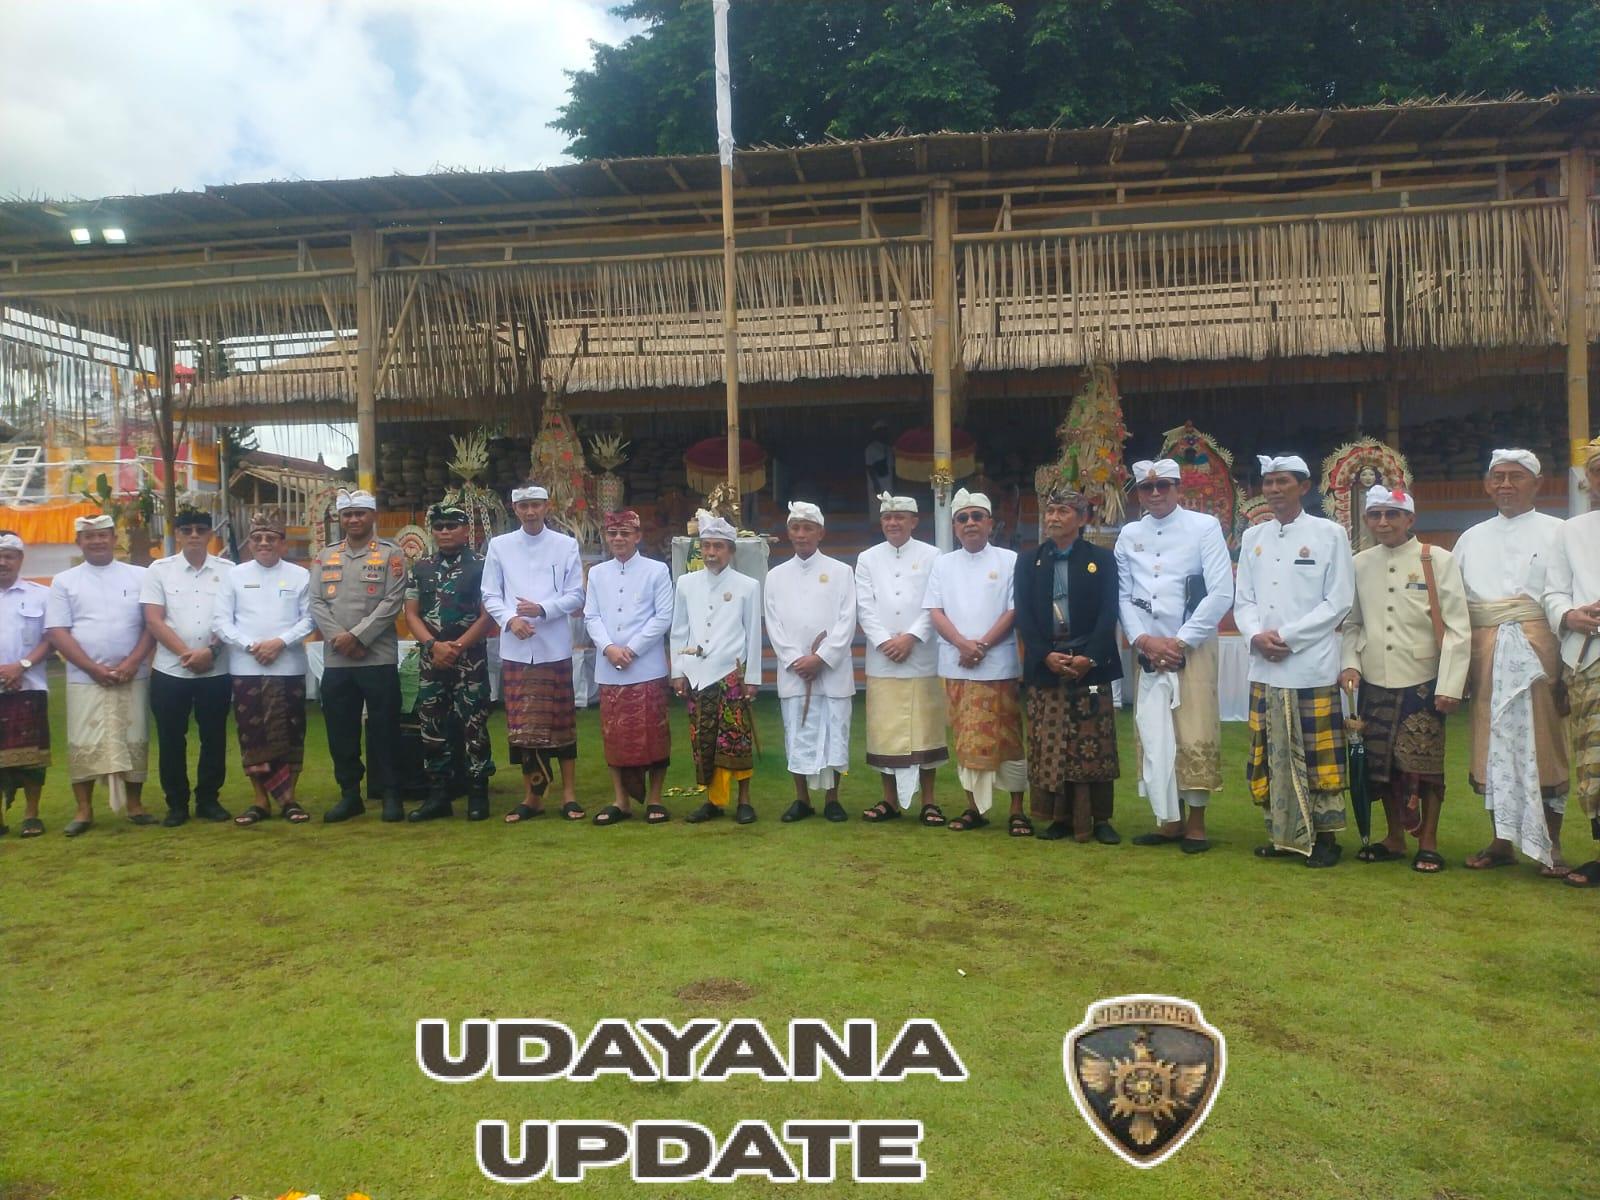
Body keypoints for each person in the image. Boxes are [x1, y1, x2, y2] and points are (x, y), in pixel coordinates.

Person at [1338, 485, 1470, 873]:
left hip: (1422, 679)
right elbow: (1353, 623)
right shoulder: (1359, 563)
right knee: (1380, 766)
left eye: (1391, 515)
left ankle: (1428, 842)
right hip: (1374, 678)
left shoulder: (1437, 559)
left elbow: (1458, 627)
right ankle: (1394, 838)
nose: (1383, 522)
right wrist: (1350, 664)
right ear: (1366, 520)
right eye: (1375, 515)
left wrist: (1450, 685)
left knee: (1424, 766)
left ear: (1410, 519)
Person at [1451, 449, 1570, 875]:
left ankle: (1551, 845)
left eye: (1515, 476)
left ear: (1537, 483)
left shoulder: (1560, 532)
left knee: (1544, 745)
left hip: (1542, 650)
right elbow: (1455, 603)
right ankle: (1501, 842)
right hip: (1485, 652)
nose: (1505, 484)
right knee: (1492, 744)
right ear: (1487, 484)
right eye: (1498, 476)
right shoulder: (1470, 538)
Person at [1234, 454, 1355, 867]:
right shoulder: (1254, 537)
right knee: (1270, 751)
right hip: (1265, 664)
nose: (1273, 489)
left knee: (1319, 753)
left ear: (1303, 487)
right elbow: (1244, 599)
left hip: (1309, 664)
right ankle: (1282, 834)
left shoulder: (1329, 534)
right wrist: (1255, 635)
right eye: (1268, 482)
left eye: (1282, 481)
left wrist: (1288, 637)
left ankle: (1326, 839)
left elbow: (1338, 601)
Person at [1115, 458, 1235, 853]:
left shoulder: (1204, 527)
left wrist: (1180, 642)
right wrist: (1143, 640)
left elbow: (1221, 592)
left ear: (1178, 488)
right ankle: (1168, 820)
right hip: (1148, 648)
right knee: (1154, 730)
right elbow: (1123, 594)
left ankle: (1196, 824)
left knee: (1193, 731)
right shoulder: (1129, 533)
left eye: (1163, 486)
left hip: (1192, 646)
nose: (1155, 494)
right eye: (1147, 488)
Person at [1015, 487, 1122, 843]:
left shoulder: (1101, 559)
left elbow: (1109, 612)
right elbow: (1024, 615)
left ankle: (1100, 819)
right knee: (1049, 742)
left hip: (1091, 664)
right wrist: (1044, 654)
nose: (1053, 518)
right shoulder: (1029, 561)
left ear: (1082, 518)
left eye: (1062, 511)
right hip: (1047, 664)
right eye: (1050, 511)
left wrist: (1089, 656)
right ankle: (1059, 818)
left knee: (1094, 744)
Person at [46, 514, 156, 836]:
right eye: (89, 536)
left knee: (134, 737)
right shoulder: (64, 581)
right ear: (78, 542)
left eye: (102, 535)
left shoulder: (139, 576)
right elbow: (57, 631)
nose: (96, 541)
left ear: (114, 538)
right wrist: (92, 668)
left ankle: (135, 806)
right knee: (84, 740)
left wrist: (132, 662)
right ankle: (84, 810)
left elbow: (151, 624)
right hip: (85, 678)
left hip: (131, 674)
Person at [924, 488, 1027, 834]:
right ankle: (973, 809)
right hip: (957, 666)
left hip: (998, 666)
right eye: (963, 518)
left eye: (976, 517)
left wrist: (980, 646)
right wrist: (962, 645)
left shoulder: (1010, 560)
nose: (970, 523)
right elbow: (935, 611)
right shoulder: (942, 564)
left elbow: (1014, 610)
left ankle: (1016, 810)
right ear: (955, 527)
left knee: (1009, 740)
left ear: (990, 523)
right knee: (965, 739)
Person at [482, 484, 586, 823]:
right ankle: (533, 797)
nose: (530, 512)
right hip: (516, 647)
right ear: (515, 509)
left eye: (536, 505)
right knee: (523, 727)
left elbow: (576, 595)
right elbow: (490, 594)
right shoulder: (500, 545)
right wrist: (510, 620)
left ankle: (569, 795)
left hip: (553, 645)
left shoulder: (565, 545)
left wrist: (542, 609)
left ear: (546, 506)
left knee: (562, 724)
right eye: (524, 506)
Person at [310, 488, 408, 823]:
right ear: (340, 518)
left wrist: (357, 636)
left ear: (373, 516)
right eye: (347, 514)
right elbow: (316, 602)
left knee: (385, 728)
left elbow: (392, 601)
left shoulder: (391, 554)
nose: (353, 520)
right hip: (338, 658)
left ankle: (391, 793)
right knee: (341, 730)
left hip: (377, 656)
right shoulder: (325, 556)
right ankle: (350, 794)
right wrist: (340, 639)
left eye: (360, 513)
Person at [214, 509, 315, 825]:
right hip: (247, 667)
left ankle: (289, 799)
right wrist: (251, 645)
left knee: (291, 732)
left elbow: (310, 619)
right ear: (249, 543)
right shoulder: (234, 575)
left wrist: (280, 643)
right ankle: (260, 801)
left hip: (288, 666)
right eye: (257, 538)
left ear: (283, 543)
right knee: (253, 735)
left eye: (271, 538)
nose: (264, 543)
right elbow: (220, 622)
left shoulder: (300, 575)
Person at [855, 493, 947, 826]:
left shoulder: (933, 555)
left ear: (914, 521)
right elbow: (864, 606)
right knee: (885, 731)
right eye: (887, 518)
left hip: (920, 654)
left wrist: (911, 637)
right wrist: (884, 641)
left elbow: (935, 602)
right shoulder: (867, 558)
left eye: (900, 517)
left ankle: (929, 802)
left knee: (926, 730)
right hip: (883, 659)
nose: (893, 523)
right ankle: (889, 800)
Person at [140, 502, 233, 826]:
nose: (194, 535)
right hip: (170, 669)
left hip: (215, 669)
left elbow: (232, 617)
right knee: (170, 739)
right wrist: (186, 654)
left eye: (200, 530)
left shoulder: (228, 570)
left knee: (214, 737)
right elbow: (153, 619)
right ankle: (176, 804)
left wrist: (211, 651)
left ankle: (208, 799)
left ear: (210, 534)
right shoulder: (159, 570)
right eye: (187, 530)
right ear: (177, 534)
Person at [403, 500, 495, 822]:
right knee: (432, 726)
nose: (444, 532)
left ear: (466, 530)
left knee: (474, 725)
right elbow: (411, 614)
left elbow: (488, 615)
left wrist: (456, 646)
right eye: (439, 527)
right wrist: (433, 646)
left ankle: (478, 792)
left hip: (470, 660)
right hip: (433, 660)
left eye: (452, 526)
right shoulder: (421, 567)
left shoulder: (482, 566)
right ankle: (438, 795)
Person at [765, 501, 856, 824]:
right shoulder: (775, 576)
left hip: (831, 670)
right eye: (795, 528)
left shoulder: (841, 572)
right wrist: (795, 660)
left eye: (808, 528)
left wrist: (821, 658)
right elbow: (773, 624)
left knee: (835, 734)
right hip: (795, 674)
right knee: (797, 733)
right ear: (788, 532)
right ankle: (801, 798)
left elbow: (847, 621)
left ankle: (833, 799)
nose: (801, 534)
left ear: (821, 533)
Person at [583, 508, 674, 826]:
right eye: (613, 533)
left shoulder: (656, 570)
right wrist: (609, 648)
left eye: (625, 533)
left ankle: (655, 798)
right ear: (606, 538)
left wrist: (632, 650)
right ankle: (620, 800)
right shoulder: (597, 573)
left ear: (638, 536)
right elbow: (591, 616)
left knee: (654, 734)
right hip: (609, 666)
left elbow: (663, 616)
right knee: (615, 735)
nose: (618, 539)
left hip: (646, 665)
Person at [670, 510, 763, 825]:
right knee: (703, 739)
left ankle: (744, 801)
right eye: (706, 546)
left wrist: (753, 677)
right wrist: (678, 671)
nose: (711, 552)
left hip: (731, 674)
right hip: (697, 675)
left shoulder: (748, 586)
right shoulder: (686, 583)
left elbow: (753, 633)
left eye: (718, 547)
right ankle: (712, 801)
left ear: (731, 550)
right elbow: (679, 630)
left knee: (737, 739)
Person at [1543, 439, 1600, 888]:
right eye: (1597, 471)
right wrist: (1568, 615)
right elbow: (1554, 591)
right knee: (1594, 762)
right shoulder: (1571, 531)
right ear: (1588, 479)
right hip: (1589, 659)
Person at [0, 531, 52, 838]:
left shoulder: (40, 595)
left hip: (29, 684)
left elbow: (51, 638)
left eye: (8, 556)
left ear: (20, 559)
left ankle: (31, 815)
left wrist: (21, 666)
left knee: (32, 756)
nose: (2, 562)